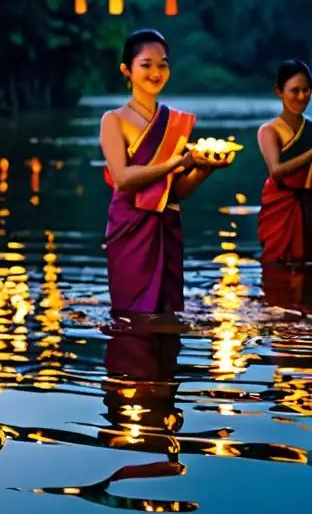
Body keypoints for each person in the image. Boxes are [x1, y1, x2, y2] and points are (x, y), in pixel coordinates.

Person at [99, 29, 229, 316]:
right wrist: (174, 163)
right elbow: (122, 179)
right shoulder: (113, 120)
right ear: (127, 70)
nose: (156, 73)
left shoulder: (173, 122)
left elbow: (176, 190)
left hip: (166, 224)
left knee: (168, 313)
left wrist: (206, 168)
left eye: (163, 64)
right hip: (129, 225)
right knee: (132, 315)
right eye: (146, 65)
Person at [258, 60, 312, 263]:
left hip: (309, 202)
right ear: (279, 91)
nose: (301, 97)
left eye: (306, 90)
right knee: (277, 263)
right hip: (281, 203)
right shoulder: (269, 130)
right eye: (294, 91)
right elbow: (276, 170)